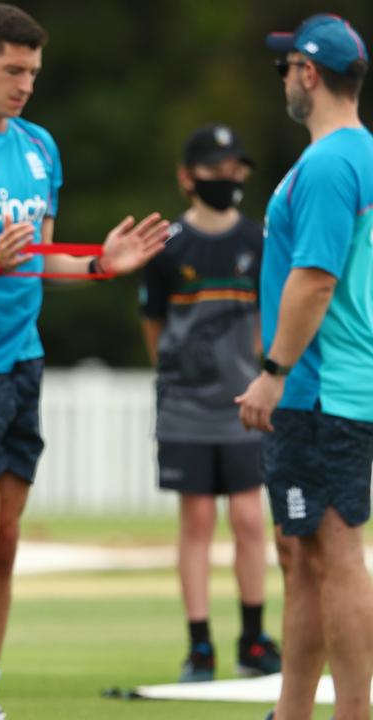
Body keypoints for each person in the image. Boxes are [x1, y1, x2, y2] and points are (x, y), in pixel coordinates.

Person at [0, 5, 169, 718]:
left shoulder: (40, 147)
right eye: (13, 70)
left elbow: (41, 264)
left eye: (33, 73)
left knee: (5, 541)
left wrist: (104, 264)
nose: (24, 85)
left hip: (22, 363)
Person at [237, 14, 373, 720]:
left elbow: (314, 279)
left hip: (319, 388)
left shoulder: (326, 164)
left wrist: (274, 369)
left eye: (288, 67)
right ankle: (292, 713)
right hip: (341, 385)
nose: (285, 78)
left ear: (310, 74)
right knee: (307, 560)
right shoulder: (364, 155)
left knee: (336, 554)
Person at [139, 124, 280, 683]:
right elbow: (153, 324)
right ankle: (200, 645)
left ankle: (253, 637)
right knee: (196, 519)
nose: (229, 180)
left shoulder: (258, 240)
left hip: (245, 402)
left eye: (235, 170)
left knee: (249, 517)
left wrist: (261, 371)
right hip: (185, 405)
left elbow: (270, 318)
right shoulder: (168, 246)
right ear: (187, 177)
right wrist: (177, 377)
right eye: (217, 171)